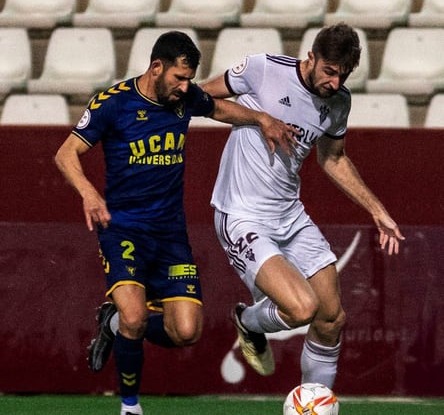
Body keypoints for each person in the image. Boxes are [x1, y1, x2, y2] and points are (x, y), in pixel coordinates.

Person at [55, 30, 296, 415]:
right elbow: (66, 154)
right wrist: (88, 192)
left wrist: (261, 118)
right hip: (123, 229)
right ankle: (130, 406)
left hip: (170, 234)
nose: (186, 87)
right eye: (179, 78)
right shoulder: (113, 104)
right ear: (156, 67)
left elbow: (218, 108)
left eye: (189, 80)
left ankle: (113, 325)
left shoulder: (184, 99)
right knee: (136, 317)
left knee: (186, 331)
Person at [201, 23, 405, 388]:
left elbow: (333, 158)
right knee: (301, 308)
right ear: (311, 57)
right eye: (329, 71)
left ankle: (314, 407)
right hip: (242, 214)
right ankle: (248, 322)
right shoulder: (264, 69)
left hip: (289, 215)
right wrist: (261, 118)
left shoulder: (339, 101)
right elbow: (201, 100)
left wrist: (376, 209)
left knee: (331, 317)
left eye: (343, 75)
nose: (335, 82)